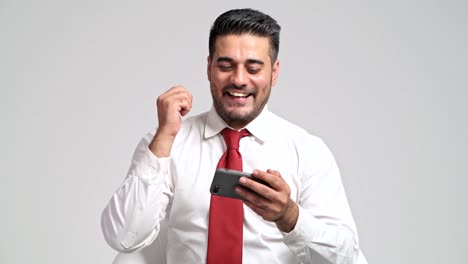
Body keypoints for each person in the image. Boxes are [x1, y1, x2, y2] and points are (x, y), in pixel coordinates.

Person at [101, 8, 367, 264]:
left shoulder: (307, 152)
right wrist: (163, 137)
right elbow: (124, 239)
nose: (239, 79)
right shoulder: (168, 143)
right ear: (209, 68)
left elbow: (345, 258)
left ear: (274, 72)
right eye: (226, 65)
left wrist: (290, 217)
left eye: (253, 69)